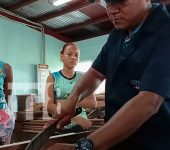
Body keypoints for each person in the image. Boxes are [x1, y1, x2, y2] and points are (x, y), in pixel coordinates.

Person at [45, 0, 170, 149]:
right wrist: (72, 100)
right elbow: (96, 74)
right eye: (107, 2)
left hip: (152, 142)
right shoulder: (117, 34)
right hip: (115, 140)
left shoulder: (165, 31)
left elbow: (149, 102)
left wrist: (83, 147)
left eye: (120, 1)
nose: (111, 10)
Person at [45, 42, 97, 130]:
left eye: (76, 55)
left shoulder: (84, 77)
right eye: (69, 54)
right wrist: (66, 114)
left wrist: (66, 103)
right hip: (60, 120)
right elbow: (49, 105)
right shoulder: (52, 77)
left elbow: (93, 103)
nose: (73, 57)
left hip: (81, 121)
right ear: (61, 56)